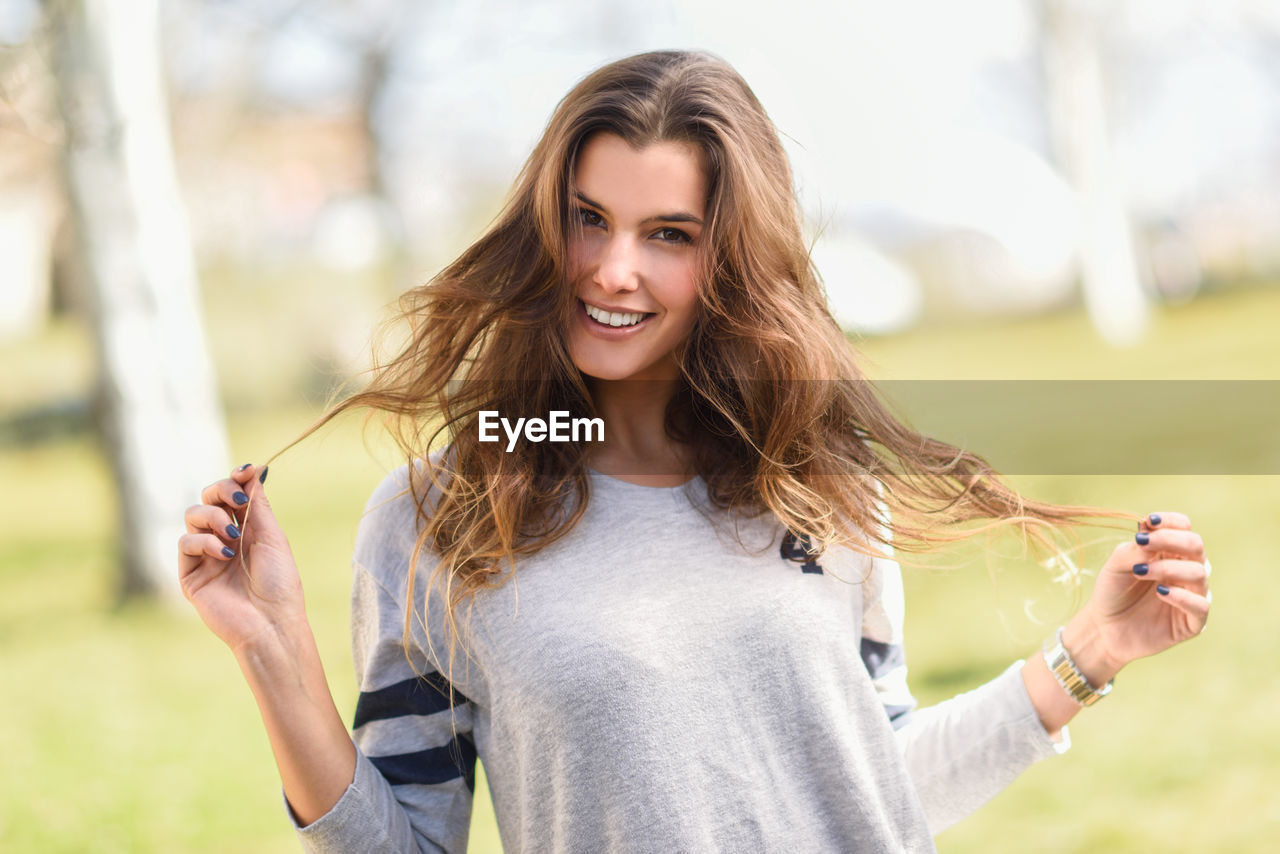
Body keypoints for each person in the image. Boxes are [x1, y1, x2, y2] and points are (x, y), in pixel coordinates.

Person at [177, 50, 1212, 853]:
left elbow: (870, 777)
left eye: (666, 233)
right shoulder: (438, 515)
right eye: (587, 219)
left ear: (728, 258)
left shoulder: (815, 478)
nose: (612, 269)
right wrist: (272, 650)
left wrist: (1090, 653)